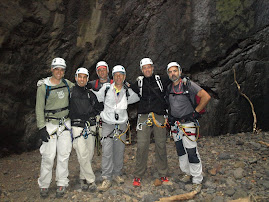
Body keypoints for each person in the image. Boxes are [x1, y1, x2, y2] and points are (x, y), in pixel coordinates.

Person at [91, 65, 140, 192]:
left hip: (122, 124)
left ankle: (117, 173)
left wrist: (135, 85)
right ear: (113, 76)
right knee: (107, 151)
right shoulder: (106, 88)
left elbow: (140, 95)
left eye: (121, 75)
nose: (119, 77)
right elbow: (95, 97)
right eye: (116, 75)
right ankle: (107, 177)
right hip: (107, 123)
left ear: (124, 76)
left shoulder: (127, 91)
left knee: (119, 150)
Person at [166, 62, 211, 193]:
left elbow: (206, 96)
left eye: (175, 71)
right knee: (180, 149)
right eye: (170, 72)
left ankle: (197, 179)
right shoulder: (169, 87)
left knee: (191, 151)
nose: (173, 74)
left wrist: (195, 112)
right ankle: (186, 172)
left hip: (188, 124)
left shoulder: (188, 85)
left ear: (180, 72)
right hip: (175, 125)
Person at [35, 57, 74, 198]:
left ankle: (62, 182)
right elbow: (39, 108)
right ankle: (44, 184)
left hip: (64, 123)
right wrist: (41, 128)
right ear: (52, 69)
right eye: (56, 69)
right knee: (48, 156)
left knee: (64, 155)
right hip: (50, 124)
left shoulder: (67, 84)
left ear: (64, 71)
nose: (59, 72)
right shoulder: (43, 87)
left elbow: (80, 88)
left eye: (61, 69)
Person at [131, 58, 169, 187]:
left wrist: (184, 78)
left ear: (153, 68)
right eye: (144, 68)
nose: (147, 70)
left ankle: (163, 172)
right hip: (143, 116)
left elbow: (174, 78)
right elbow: (126, 86)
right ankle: (138, 175)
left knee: (161, 144)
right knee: (142, 145)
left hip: (159, 115)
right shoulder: (139, 83)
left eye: (149, 67)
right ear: (142, 70)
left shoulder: (161, 80)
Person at [69, 67, 102, 192]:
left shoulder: (90, 94)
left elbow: (98, 107)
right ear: (76, 78)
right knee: (82, 154)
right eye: (80, 77)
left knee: (89, 154)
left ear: (87, 79)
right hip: (77, 127)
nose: (82, 79)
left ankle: (82, 177)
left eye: (84, 77)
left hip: (90, 127)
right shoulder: (71, 93)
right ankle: (91, 180)